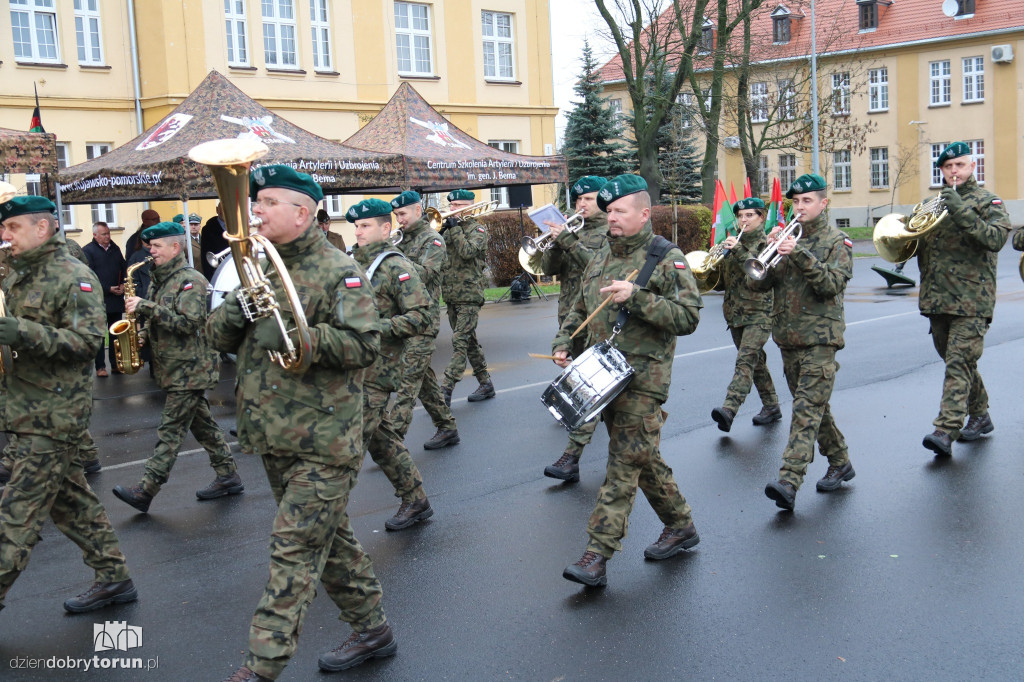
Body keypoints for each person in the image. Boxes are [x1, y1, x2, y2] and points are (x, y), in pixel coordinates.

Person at [208, 166, 395, 681]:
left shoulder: (340, 269)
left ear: (302, 212)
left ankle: (261, 667)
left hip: (324, 438)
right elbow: (216, 336)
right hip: (272, 433)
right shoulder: (255, 266)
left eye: (267, 201)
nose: (255, 210)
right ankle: (373, 627)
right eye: (256, 200)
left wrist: (296, 334)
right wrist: (241, 310)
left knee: (293, 548)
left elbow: (364, 345)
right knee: (327, 539)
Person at [551, 175, 702, 587]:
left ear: (644, 213)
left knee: (621, 464)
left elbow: (688, 317)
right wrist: (565, 340)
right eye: (609, 211)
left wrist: (635, 297)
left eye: (619, 211)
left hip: (644, 378)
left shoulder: (665, 257)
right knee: (641, 456)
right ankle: (681, 525)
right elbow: (580, 303)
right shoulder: (601, 253)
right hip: (603, 376)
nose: (611, 217)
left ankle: (596, 555)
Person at [0, 196, 136, 614]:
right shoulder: (17, 273)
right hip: (26, 406)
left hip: (55, 412)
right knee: (71, 502)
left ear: (42, 228)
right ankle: (114, 578)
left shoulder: (72, 275)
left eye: (12, 228)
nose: (4, 237)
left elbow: (86, 343)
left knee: (16, 514)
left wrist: (14, 330)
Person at [739, 174, 854, 511]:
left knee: (804, 411)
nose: (800, 208)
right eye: (796, 202)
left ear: (823, 203)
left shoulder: (838, 241)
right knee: (816, 408)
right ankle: (840, 461)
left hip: (821, 339)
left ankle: (789, 479)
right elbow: (758, 285)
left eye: (807, 201)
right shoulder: (785, 240)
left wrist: (799, 254)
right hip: (788, 338)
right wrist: (769, 251)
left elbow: (831, 285)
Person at [110, 221, 242, 514]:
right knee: (204, 426)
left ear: (175, 247)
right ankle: (228, 475)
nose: (151, 252)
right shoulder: (160, 279)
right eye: (150, 247)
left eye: (156, 247)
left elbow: (188, 324)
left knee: (170, 431)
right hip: (172, 367)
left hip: (190, 368)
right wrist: (140, 336)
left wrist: (144, 307)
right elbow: (159, 321)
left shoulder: (190, 281)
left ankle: (146, 490)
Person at [916, 142, 1011, 457]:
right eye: (947, 167)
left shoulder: (988, 201)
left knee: (958, 363)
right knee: (959, 362)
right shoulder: (932, 204)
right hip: (937, 299)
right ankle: (980, 415)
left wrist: (958, 207)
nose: (953, 171)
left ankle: (946, 429)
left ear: (972, 167)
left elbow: (995, 238)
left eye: (959, 165)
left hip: (972, 301)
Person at [348, 199, 435, 530]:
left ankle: (321, 520)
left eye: (366, 225)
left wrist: (378, 328)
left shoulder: (395, 266)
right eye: (356, 225)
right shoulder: (350, 262)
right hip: (350, 366)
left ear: (386, 229)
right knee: (381, 439)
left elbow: (423, 315)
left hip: (377, 369)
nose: (358, 231)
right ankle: (416, 499)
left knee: (348, 445)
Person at [539, 175, 610, 482]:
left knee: (588, 388)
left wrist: (567, 239)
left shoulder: (611, 231)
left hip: (598, 317)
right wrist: (554, 242)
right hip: (571, 313)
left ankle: (571, 458)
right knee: (587, 387)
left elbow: (597, 268)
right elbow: (548, 270)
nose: (582, 204)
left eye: (589, 199)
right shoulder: (571, 228)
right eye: (579, 199)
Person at [390, 190, 460, 450]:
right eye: (396, 215)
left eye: (403, 214)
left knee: (408, 379)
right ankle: (447, 427)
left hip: (423, 320)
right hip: (402, 318)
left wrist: (394, 258)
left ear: (418, 211)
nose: (399, 220)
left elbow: (428, 275)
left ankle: (391, 440)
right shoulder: (398, 240)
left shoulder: (433, 240)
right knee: (424, 379)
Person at [709, 197, 782, 431]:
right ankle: (772, 406)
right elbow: (723, 283)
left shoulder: (766, 245)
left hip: (759, 313)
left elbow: (755, 273)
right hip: (735, 314)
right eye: (740, 216)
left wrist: (737, 251)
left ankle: (729, 409)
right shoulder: (732, 244)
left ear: (761, 217)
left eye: (750, 215)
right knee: (756, 362)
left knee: (745, 361)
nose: (743, 220)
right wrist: (712, 268)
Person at [439, 189, 495, 405]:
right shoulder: (451, 228)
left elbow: (468, 251)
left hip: (470, 294)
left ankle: (446, 388)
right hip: (452, 293)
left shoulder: (478, 229)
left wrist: (454, 230)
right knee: (469, 341)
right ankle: (486, 383)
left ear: (469, 206)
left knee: (459, 342)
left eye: (457, 206)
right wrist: (442, 230)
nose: (452, 210)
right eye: (451, 206)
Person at [83, 221, 126, 376]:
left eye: (108, 233)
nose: (108, 237)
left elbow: (124, 268)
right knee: (100, 336)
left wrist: (122, 284)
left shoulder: (115, 249)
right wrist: (107, 288)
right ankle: (100, 367)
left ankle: (115, 364)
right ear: (95, 235)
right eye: (104, 234)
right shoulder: (88, 251)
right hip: (98, 300)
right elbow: (88, 276)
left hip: (115, 300)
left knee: (115, 333)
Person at [200, 202, 229, 280]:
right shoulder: (208, 229)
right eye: (223, 209)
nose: (226, 212)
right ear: (217, 210)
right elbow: (205, 255)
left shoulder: (236, 226)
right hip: (218, 271)